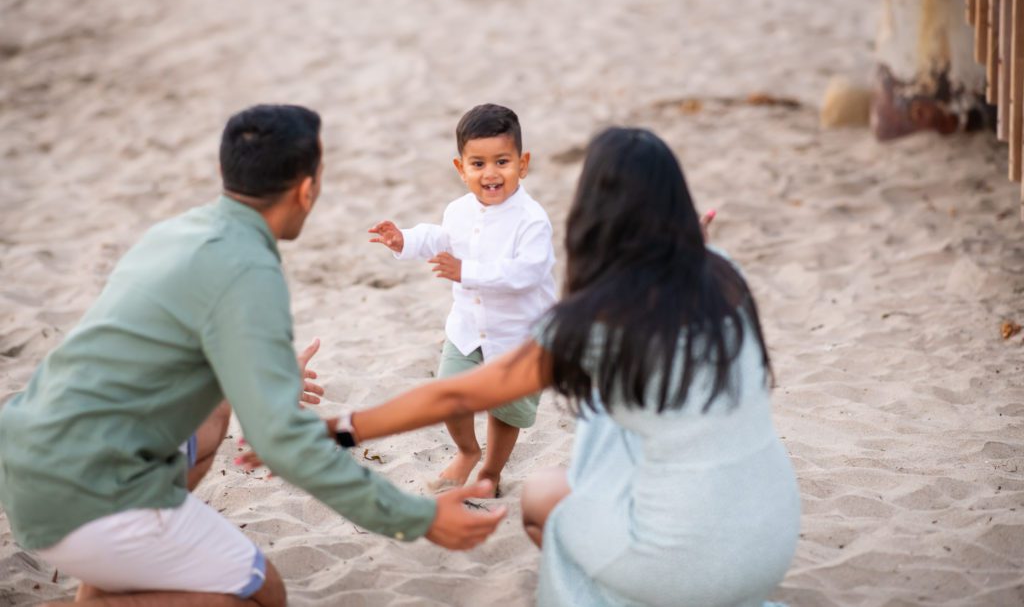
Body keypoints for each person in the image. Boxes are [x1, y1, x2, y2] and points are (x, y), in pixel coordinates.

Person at [0, 104, 505, 607]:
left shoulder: (176, 231)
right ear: (307, 189)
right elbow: (282, 442)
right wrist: (418, 517)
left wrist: (267, 373)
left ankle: (113, 573)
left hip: (26, 460)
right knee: (262, 593)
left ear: (228, 172)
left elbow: (155, 353)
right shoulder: (249, 268)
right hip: (85, 496)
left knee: (215, 413)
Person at [335, 127, 801, 606]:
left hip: (677, 566)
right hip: (772, 538)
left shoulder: (592, 319)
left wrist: (335, 430)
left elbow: (457, 395)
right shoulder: (725, 272)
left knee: (542, 495)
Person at [368, 103, 556, 495]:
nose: (490, 173)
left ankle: (491, 470)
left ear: (523, 164)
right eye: (478, 164)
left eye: (502, 161)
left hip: (519, 337)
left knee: (508, 411)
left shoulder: (531, 219)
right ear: (461, 169)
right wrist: (404, 240)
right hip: (469, 329)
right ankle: (467, 451)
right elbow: (439, 238)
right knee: (450, 396)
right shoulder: (458, 210)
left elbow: (528, 273)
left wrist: (466, 272)